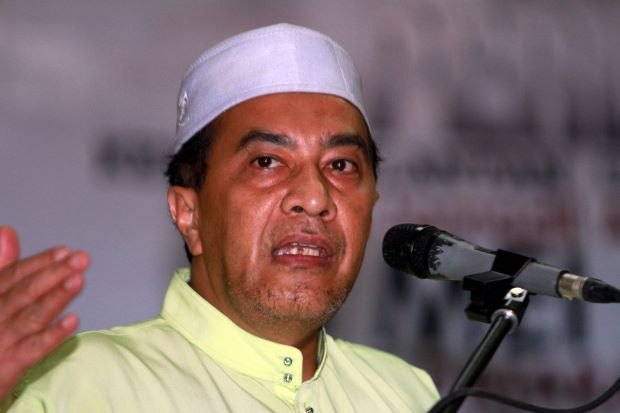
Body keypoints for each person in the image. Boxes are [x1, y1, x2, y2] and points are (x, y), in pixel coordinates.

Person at [1, 23, 439, 412]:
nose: (313, 197)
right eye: (267, 162)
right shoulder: (75, 386)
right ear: (189, 214)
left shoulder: (405, 394)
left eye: (341, 165)